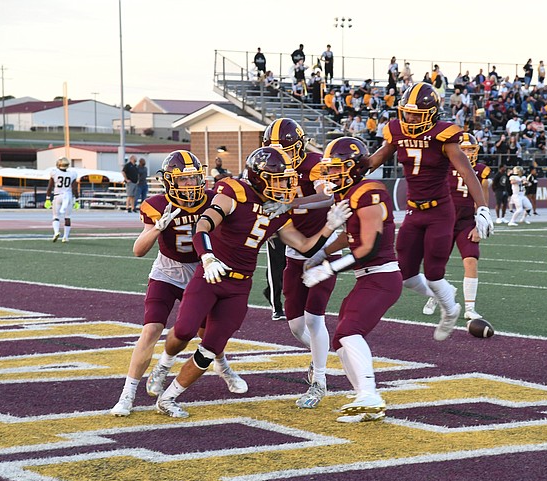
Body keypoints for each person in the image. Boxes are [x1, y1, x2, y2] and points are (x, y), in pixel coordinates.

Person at [153, 146, 352, 418]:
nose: (285, 185)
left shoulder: (279, 211)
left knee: (211, 347)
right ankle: (163, 365)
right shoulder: (234, 191)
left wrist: (330, 226)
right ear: (260, 177)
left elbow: (305, 246)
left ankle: (169, 397)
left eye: (287, 179)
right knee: (185, 329)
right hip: (212, 274)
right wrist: (208, 257)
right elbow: (203, 225)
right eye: (279, 179)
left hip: (238, 287)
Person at [363, 82, 493, 341]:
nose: (409, 118)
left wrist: (482, 208)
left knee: (434, 273)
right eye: (407, 112)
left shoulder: (443, 136)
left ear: (432, 113)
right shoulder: (397, 131)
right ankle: (443, 297)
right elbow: (375, 158)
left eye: (416, 113)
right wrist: (348, 170)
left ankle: (450, 310)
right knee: (406, 273)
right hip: (413, 211)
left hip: (440, 212)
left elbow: (467, 171)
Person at [302, 137, 401, 423]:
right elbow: (351, 235)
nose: (330, 174)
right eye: (328, 169)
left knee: (349, 331)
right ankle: (364, 397)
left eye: (335, 169)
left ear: (353, 167)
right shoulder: (349, 193)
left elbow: (368, 245)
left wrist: (331, 268)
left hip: (381, 276)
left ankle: (370, 393)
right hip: (368, 277)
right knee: (341, 338)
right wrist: (323, 252)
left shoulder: (369, 191)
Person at [110, 150, 214, 416]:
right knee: (151, 329)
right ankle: (127, 394)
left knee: (208, 333)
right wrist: (158, 227)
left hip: (201, 273)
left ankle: (223, 369)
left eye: (194, 179)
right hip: (167, 271)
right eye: (184, 180)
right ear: (170, 182)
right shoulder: (157, 205)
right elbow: (138, 250)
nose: (191, 186)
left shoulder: (213, 201)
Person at [261, 118, 340, 407]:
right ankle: (321, 355)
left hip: (323, 248)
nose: (280, 155)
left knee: (313, 318)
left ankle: (319, 379)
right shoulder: (269, 167)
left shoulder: (316, 164)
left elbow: (326, 197)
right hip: (294, 252)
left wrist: (291, 204)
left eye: (286, 148)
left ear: (300, 145)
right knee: (296, 326)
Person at [421, 133, 490, 320]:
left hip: (466, 222)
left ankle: (470, 307)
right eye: (463, 149)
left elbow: (482, 201)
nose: (466, 153)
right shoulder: (443, 167)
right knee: (434, 265)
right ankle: (439, 293)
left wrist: (479, 224)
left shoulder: (481, 171)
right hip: (444, 221)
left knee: (471, 260)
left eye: (470, 149)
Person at [45, 157, 79, 243]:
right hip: (68, 197)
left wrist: (48, 198)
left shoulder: (55, 173)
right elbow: (75, 189)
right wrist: (77, 200)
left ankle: (56, 232)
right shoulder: (72, 174)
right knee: (67, 217)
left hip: (58, 196)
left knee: (56, 217)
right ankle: (65, 237)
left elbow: (49, 187)